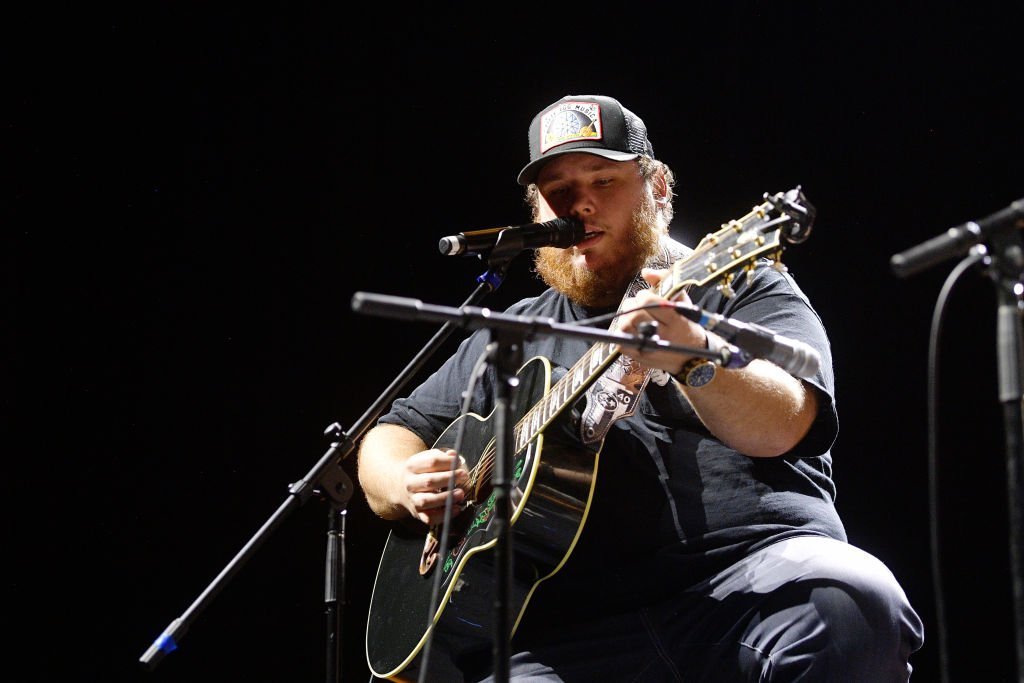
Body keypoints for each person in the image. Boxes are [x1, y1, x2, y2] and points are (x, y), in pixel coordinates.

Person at [357, 94, 924, 681]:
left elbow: (790, 421)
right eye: (558, 190)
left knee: (852, 602)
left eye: (604, 180)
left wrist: (693, 356)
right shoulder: (513, 332)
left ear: (658, 189)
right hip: (574, 627)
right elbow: (391, 435)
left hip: (752, 580)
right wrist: (404, 480)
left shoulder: (740, 283)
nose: (580, 205)